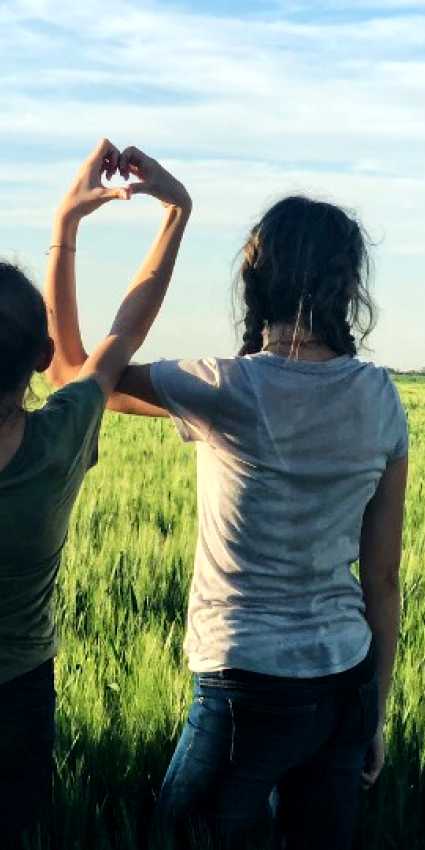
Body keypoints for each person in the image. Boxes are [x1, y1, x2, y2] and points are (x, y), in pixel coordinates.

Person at [49, 193, 408, 849]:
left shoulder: (224, 385)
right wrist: (375, 715)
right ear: (348, 287)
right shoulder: (380, 396)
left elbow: (72, 376)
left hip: (245, 684)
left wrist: (66, 227)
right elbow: (382, 578)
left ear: (255, 281)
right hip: (346, 684)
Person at [0, 138, 191, 846]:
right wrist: (173, 212)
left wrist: (63, 223)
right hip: (19, 693)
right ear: (40, 356)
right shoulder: (58, 440)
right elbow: (122, 332)